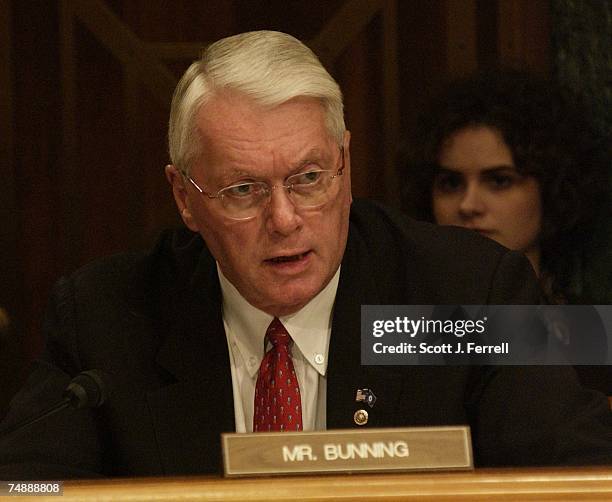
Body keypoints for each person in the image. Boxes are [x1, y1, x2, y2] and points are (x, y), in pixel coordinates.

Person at [0, 32, 610, 479]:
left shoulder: (463, 295)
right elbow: (27, 483)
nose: (285, 219)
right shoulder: (109, 319)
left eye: (309, 177)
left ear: (345, 164)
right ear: (185, 198)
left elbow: (577, 473)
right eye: (243, 190)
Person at [400, 70, 611, 393]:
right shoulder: (399, 329)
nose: (469, 204)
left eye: (499, 181)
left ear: (553, 189)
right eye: (451, 183)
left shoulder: (593, 330)